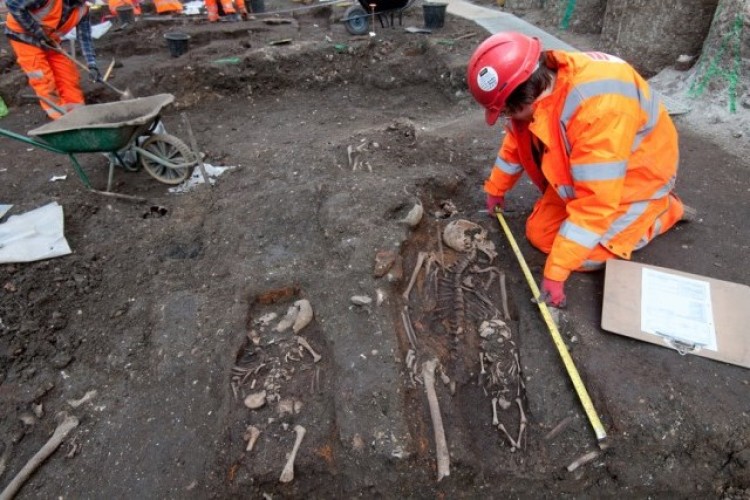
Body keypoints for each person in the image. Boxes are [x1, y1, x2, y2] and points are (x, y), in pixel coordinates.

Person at [467, 32, 693, 308]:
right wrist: (496, 188)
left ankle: (662, 210)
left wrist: (556, 274)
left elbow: (595, 202)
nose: (506, 118)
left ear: (524, 102)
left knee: (585, 256)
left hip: (634, 178)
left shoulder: (597, 110)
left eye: (504, 112)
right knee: (540, 235)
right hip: (589, 172)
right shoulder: (545, 82)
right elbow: (518, 140)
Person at [5, 0, 101, 119]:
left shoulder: (82, 9)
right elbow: (13, 4)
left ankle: (78, 114)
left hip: (49, 39)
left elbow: (85, 38)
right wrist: (38, 32)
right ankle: (59, 118)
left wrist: (92, 64)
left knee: (68, 74)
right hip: (23, 37)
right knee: (43, 78)